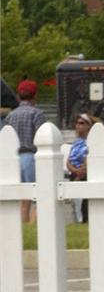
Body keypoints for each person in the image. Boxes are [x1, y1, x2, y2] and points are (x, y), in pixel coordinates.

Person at [5, 79, 46, 223]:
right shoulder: (37, 113)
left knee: (24, 198)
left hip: (16, 159)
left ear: (18, 96)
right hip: (31, 157)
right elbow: (42, 137)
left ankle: (24, 225)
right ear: (35, 96)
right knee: (40, 194)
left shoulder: (11, 115)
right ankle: (34, 224)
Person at [64, 112, 93, 222]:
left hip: (83, 176)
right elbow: (69, 160)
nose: (78, 125)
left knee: (82, 203)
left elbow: (87, 159)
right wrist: (74, 170)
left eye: (81, 123)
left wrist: (80, 174)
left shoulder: (89, 142)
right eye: (77, 123)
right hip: (74, 174)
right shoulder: (76, 142)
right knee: (75, 204)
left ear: (88, 126)